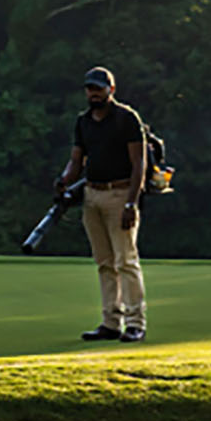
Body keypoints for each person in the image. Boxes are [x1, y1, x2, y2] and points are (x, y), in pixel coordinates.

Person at [53, 66, 147, 342]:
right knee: (104, 263)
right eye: (90, 89)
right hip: (92, 195)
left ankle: (135, 323)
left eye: (99, 88)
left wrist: (132, 202)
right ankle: (110, 322)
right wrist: (64, 179)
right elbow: (77, 160)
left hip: (120, 194)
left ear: (111, 90)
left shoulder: (126, 119)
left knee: (126, 261)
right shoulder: (83, 122)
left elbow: (138, 163)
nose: (94, 94)